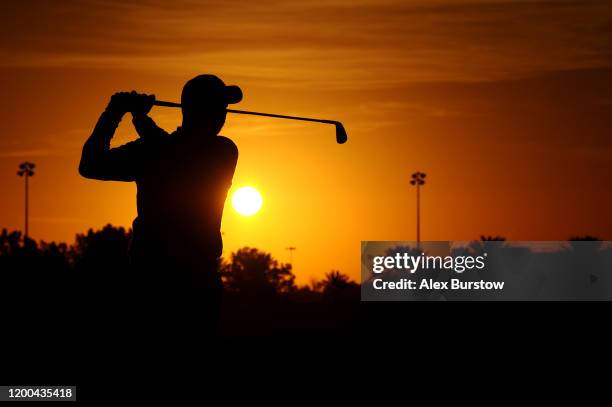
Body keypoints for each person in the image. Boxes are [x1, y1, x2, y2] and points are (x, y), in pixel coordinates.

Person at [79, 74, 242, 335]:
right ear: (198, 110)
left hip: (194, 279)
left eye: (223, 109)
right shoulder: (152, 148)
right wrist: (113, 114)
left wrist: (136, 115)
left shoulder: (223, 150)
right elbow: (90, 164)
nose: (223, 115)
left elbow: (173, 156)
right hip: (153, 278)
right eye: (217, 108)